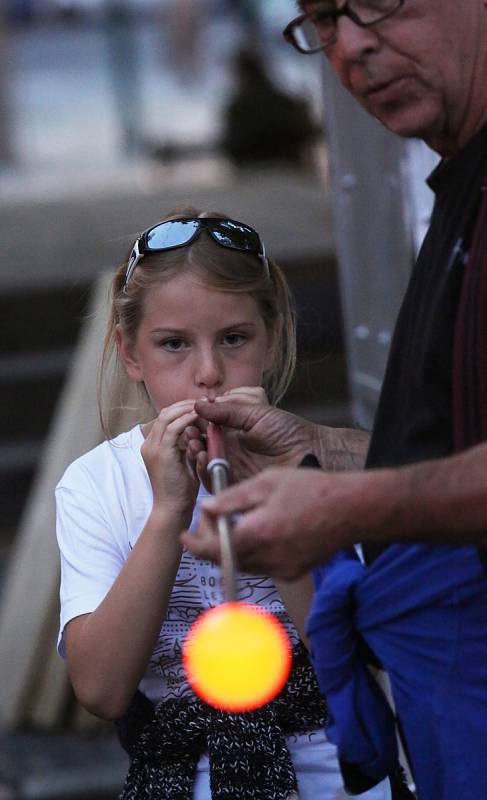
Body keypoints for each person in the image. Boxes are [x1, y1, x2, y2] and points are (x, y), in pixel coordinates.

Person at [182, 2, 487, 799]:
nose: (350, 45)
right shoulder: (464, 183)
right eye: (321, 21)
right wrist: (312, 449)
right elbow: (448, 446)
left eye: (377, 2)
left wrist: (346, 511)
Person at [55, 207, 397, 799]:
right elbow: (103, 689)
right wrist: (167, 514)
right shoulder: (95, 484)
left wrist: (265, 498)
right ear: (130, 354)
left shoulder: (315, 463)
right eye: (174, 345)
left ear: (272, 340)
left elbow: (355, 659)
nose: (208, 373)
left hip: (338, 777)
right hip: (181, 777)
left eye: (234, 339)